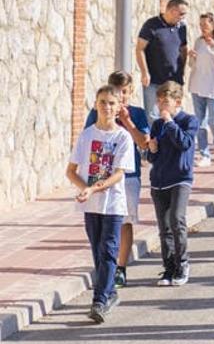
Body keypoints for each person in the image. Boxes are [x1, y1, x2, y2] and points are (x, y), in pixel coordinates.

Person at [67, 85, 136, 323]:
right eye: (103, 102)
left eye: (111, 103)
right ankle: (110, 293)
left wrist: (94, 188)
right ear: (96, 104)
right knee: (97, 250)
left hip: (113, 203)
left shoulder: (123, 137)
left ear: (119, 108)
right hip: (91, 204)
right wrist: (84, 189)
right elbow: (71, 171)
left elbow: (118, 173)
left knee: (108, 250)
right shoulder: (87, 135)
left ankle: (99, 300)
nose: (107, 107)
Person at [82, 72, 149, 291]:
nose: (120, 97)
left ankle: (120, 268)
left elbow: (144, 143)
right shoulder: (98, 112)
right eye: (116, 92)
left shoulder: (137, 113)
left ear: (130, 92)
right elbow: (88, 139)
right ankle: (104, 269)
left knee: (124, 222)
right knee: (100, 224)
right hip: (101, 176)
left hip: (128, 177)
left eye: (124, 92)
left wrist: (127, 121)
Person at [146, 81, 199, 287]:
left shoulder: (189, 121)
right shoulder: (157, 125)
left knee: (177, 220)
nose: (161, 105)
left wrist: (169, 122)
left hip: (180, 179)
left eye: (165, 101)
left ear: (177, 102)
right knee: (164, 227)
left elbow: (184, 143)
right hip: (160, 181)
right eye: (159, 101)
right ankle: (169, 268)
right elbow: (152, 157)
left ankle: (182, 263)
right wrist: (152, 149)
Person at [187, 13, 214, 167]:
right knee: (200, 122)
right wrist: (191, 57)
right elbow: (192, 65)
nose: (203, 28)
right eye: (201, 25)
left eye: (205, 25)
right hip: (198, 85)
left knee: (213, 120)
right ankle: (204, 154)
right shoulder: (198, 42)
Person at [136, 0, 189, 118]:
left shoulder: (182, 27)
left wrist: (182, 70)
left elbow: (183, 49)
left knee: (174, 114)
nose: (183, 17)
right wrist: (144, 72)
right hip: (153, 80)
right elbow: (140, 49)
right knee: (152, 115)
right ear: (171, 10)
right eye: (181, 14)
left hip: (174, 81)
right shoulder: (151, 25)